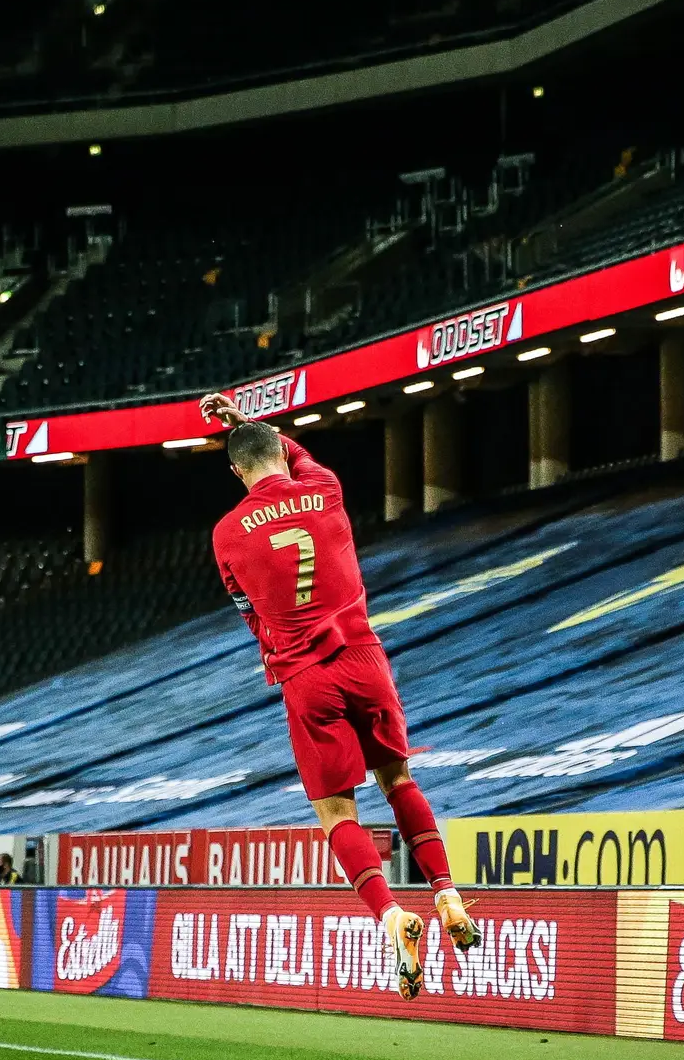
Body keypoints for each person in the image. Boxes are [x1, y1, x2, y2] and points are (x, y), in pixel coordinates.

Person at [200, 391, 480, 1001]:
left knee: (337, 814)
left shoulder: (226, 535)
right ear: (283, 452)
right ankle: (448, 896)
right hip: (363, 657)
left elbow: (250, 616)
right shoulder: (324, 488)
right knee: (400, 781)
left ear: (235, 472)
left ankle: (389, 917)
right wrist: (245, 421)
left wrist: (281, 647)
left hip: (305, 675)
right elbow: (293, 456)